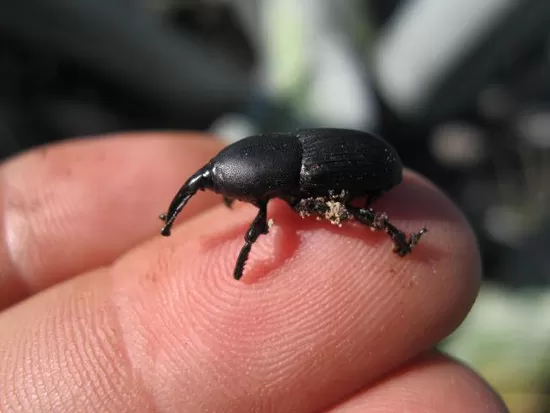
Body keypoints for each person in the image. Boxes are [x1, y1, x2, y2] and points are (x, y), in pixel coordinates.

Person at [0, 132, 507, 412]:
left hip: (375, 168)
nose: (219, 192)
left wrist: (244, 253)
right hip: (340, 157)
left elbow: (257, 220)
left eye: (227, 189)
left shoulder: (293, 180)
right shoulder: (275, 166)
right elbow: (231, 177)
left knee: (348, 214)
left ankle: (396, 236)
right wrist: (206, 187)